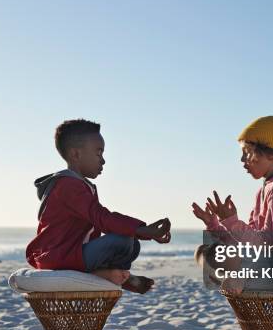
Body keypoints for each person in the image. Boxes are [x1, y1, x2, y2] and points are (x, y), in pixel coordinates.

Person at [26, 119, 171, 294]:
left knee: (132, 243)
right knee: (123, 240)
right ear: (76, 154)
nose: (103, 161)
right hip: (58, 257)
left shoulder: (80, 184)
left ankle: (111, 274)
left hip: (73, 254)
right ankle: (111, 275)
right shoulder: (67, 185)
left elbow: (101, 221)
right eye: (98, 153)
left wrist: (140, 232)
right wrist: (142, 230)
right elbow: (101, 217)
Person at [192, 115, 273, 279]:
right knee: (203, 251)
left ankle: (239, 279)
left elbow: (264, 245)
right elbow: (249, 242)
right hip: (272, 261)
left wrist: (231, 221)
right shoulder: (264, 190)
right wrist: (215, 224)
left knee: (215, 256)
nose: (241, 160)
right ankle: (238, 278)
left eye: (247, 153)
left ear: (270, 153)